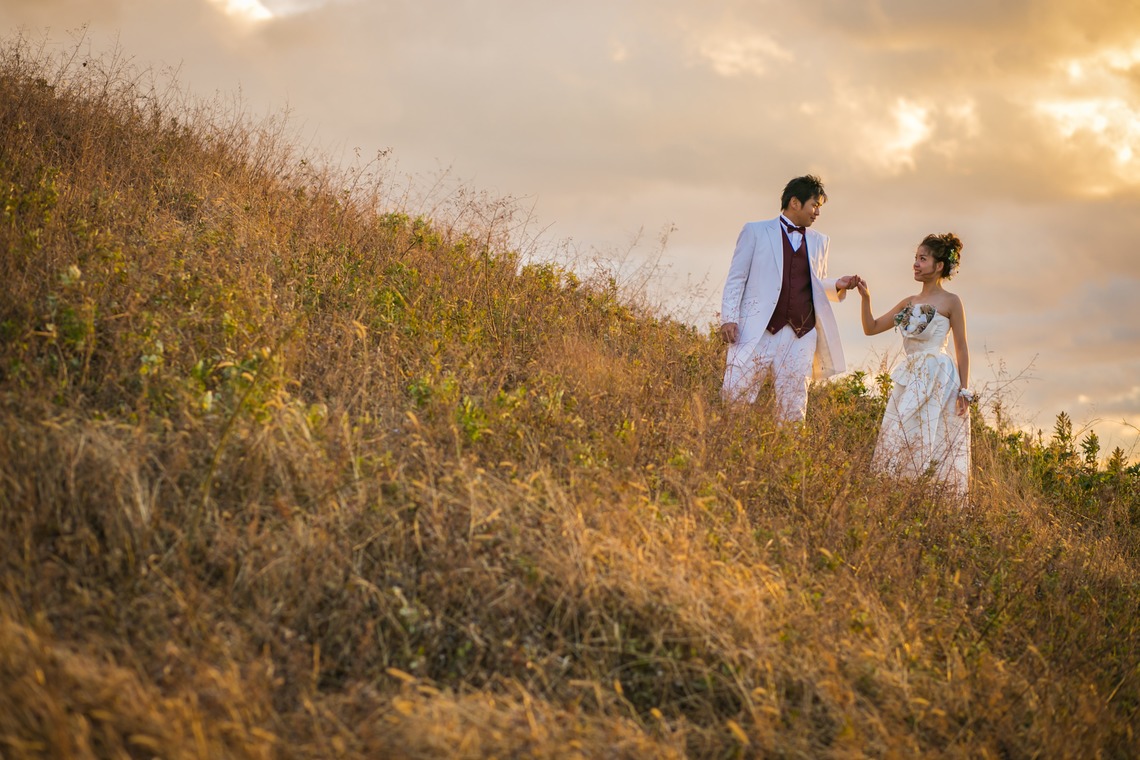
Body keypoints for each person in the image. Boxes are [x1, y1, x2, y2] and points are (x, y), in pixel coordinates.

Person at [719, 175, 860, 421]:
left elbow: (814, 283)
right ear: (795, 202)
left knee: (794, 406)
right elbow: (736, 278)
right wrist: (729, 318)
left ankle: (789, 446)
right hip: (758, 329)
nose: (817, 212)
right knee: (736, 397)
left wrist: (837, 284)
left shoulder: (820, 241)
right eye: (814, 205)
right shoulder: (755, 231)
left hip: (800, 334)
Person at [854, 233, 972, 496]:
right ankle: (898, 492)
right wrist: (866, 298)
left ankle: (932, 496)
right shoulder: (909, 303)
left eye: (923, 259)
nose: (916, 264)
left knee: (934, 434)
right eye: (916, 258)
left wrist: (964, 390)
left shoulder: (951, 301)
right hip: (911, 375)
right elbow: (871, 328)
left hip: (939, 374)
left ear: (939, 265)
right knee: (900, 431)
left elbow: (961, 347)